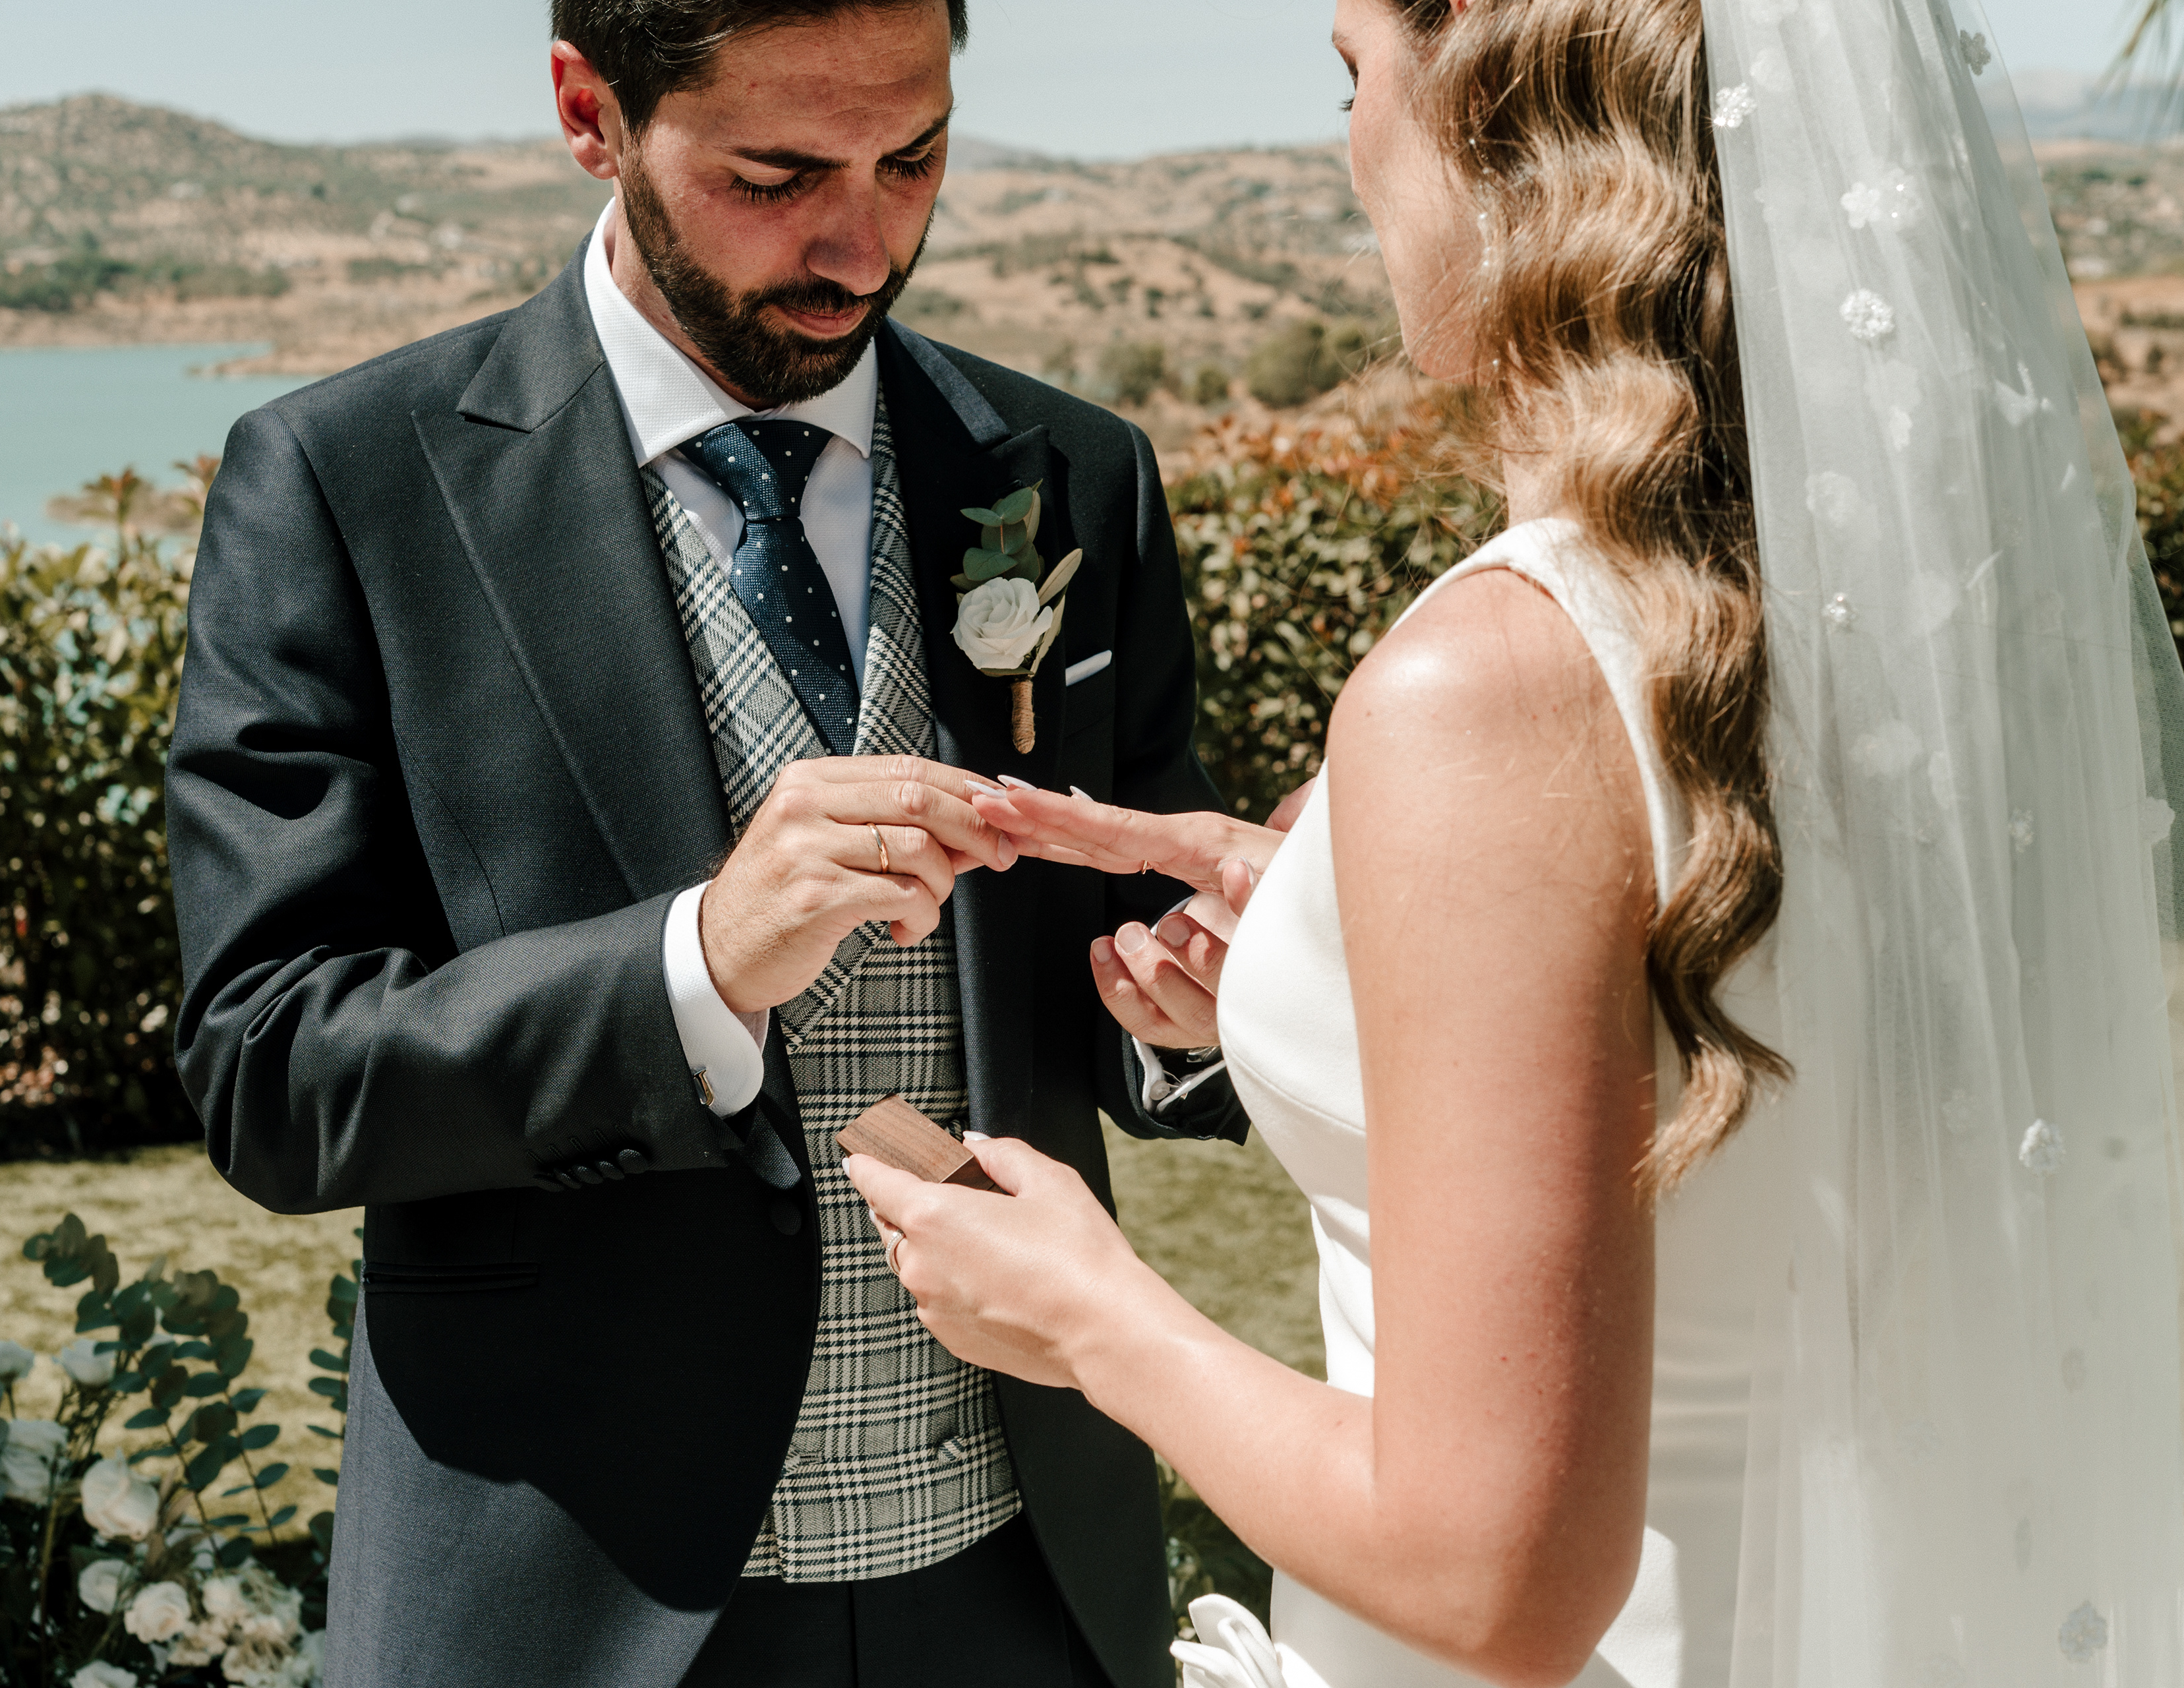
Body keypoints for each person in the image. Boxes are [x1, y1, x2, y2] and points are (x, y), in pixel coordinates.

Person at [850, 1, 2184, 1685]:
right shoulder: (1921, 637)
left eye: (1354, 70)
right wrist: (1333, 927)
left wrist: (1087, 1311)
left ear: (1493, 103)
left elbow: (1495, 1577)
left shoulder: (1490, 684)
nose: (1346, 142)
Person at [163, 2, 1249, 1685]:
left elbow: (1128, 956)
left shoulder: (1076, 474)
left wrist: (1197, 1012)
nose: (862, 243)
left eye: (914, 158)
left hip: (1022, 1577)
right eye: (777, 174)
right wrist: (698, 965)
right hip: (578, 1602)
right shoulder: (345, 483)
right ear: (589, 112)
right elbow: (272, 1068)